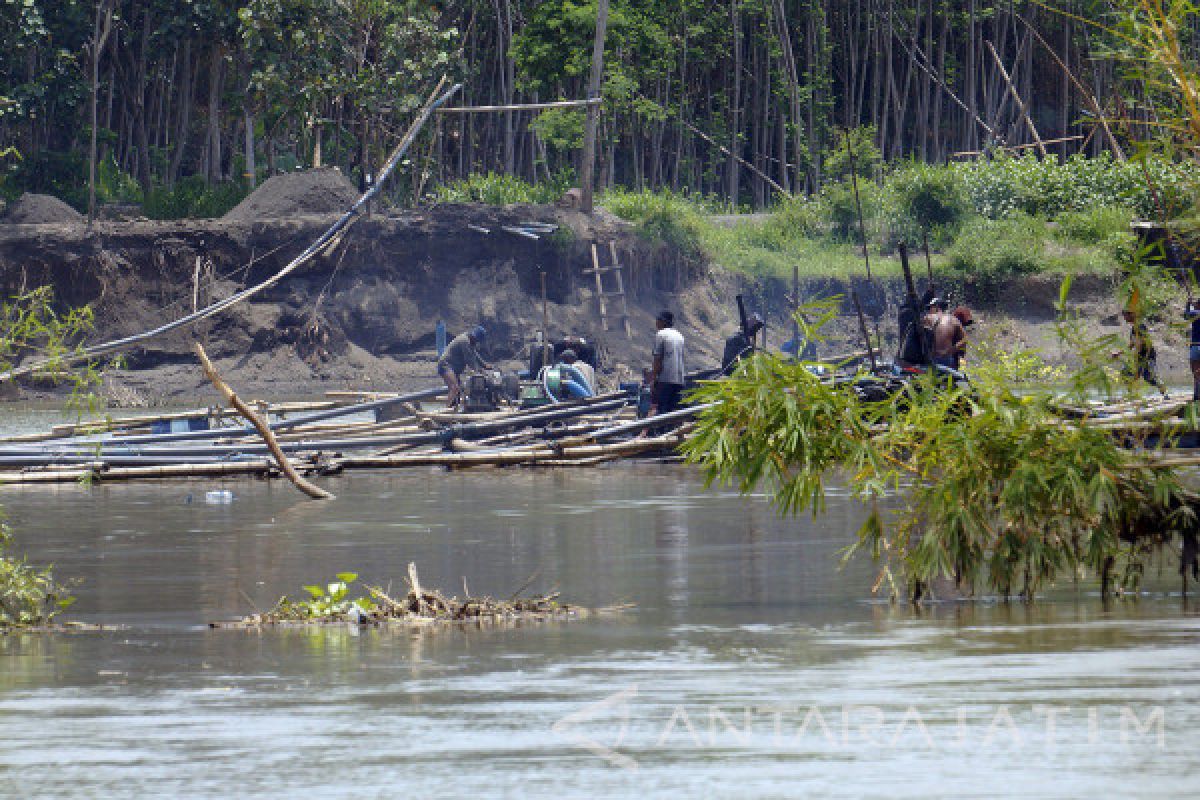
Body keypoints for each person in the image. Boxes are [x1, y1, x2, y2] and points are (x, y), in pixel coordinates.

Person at [437, 325, 491, 408]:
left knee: (459, 390)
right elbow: (469, 360)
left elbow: (475, 354)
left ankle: (455, 409)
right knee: (454, 387)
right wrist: (479, 371)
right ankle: (447, 411)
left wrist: (484, 365)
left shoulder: (470, 341)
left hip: (454, 369)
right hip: (446, 365)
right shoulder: (464, 341)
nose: (476, 342)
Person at [1120, 308, 1167, 395]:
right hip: (1139, 356)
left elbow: (1141, 342)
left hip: (1147, 356)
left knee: (1149, 377)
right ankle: (1131, 395)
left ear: (1132, 315)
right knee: (1126, 372)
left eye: (1125, 315)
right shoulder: (1134, 328)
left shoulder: (1140, 326)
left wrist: (1136, 353)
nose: (1124, 318)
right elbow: (1131, 344)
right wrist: (1119, 353)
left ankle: (1164, 392)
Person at [651, 310, 686, 415]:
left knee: (662, 410)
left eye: (658, 320)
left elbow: (658, 359)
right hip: (679, 379)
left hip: (665, 379)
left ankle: (662, 431)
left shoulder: (661, 334)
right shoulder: (679, 335)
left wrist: (654, 378)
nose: (656, 323)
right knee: (674, 411)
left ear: (663, 322)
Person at [1187, 300, 1200, 401]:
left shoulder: (1195, 313)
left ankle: (1196, 396)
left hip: (1195, 346)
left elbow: (1186, 315)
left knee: (1196, 373)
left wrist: (1188, 304)